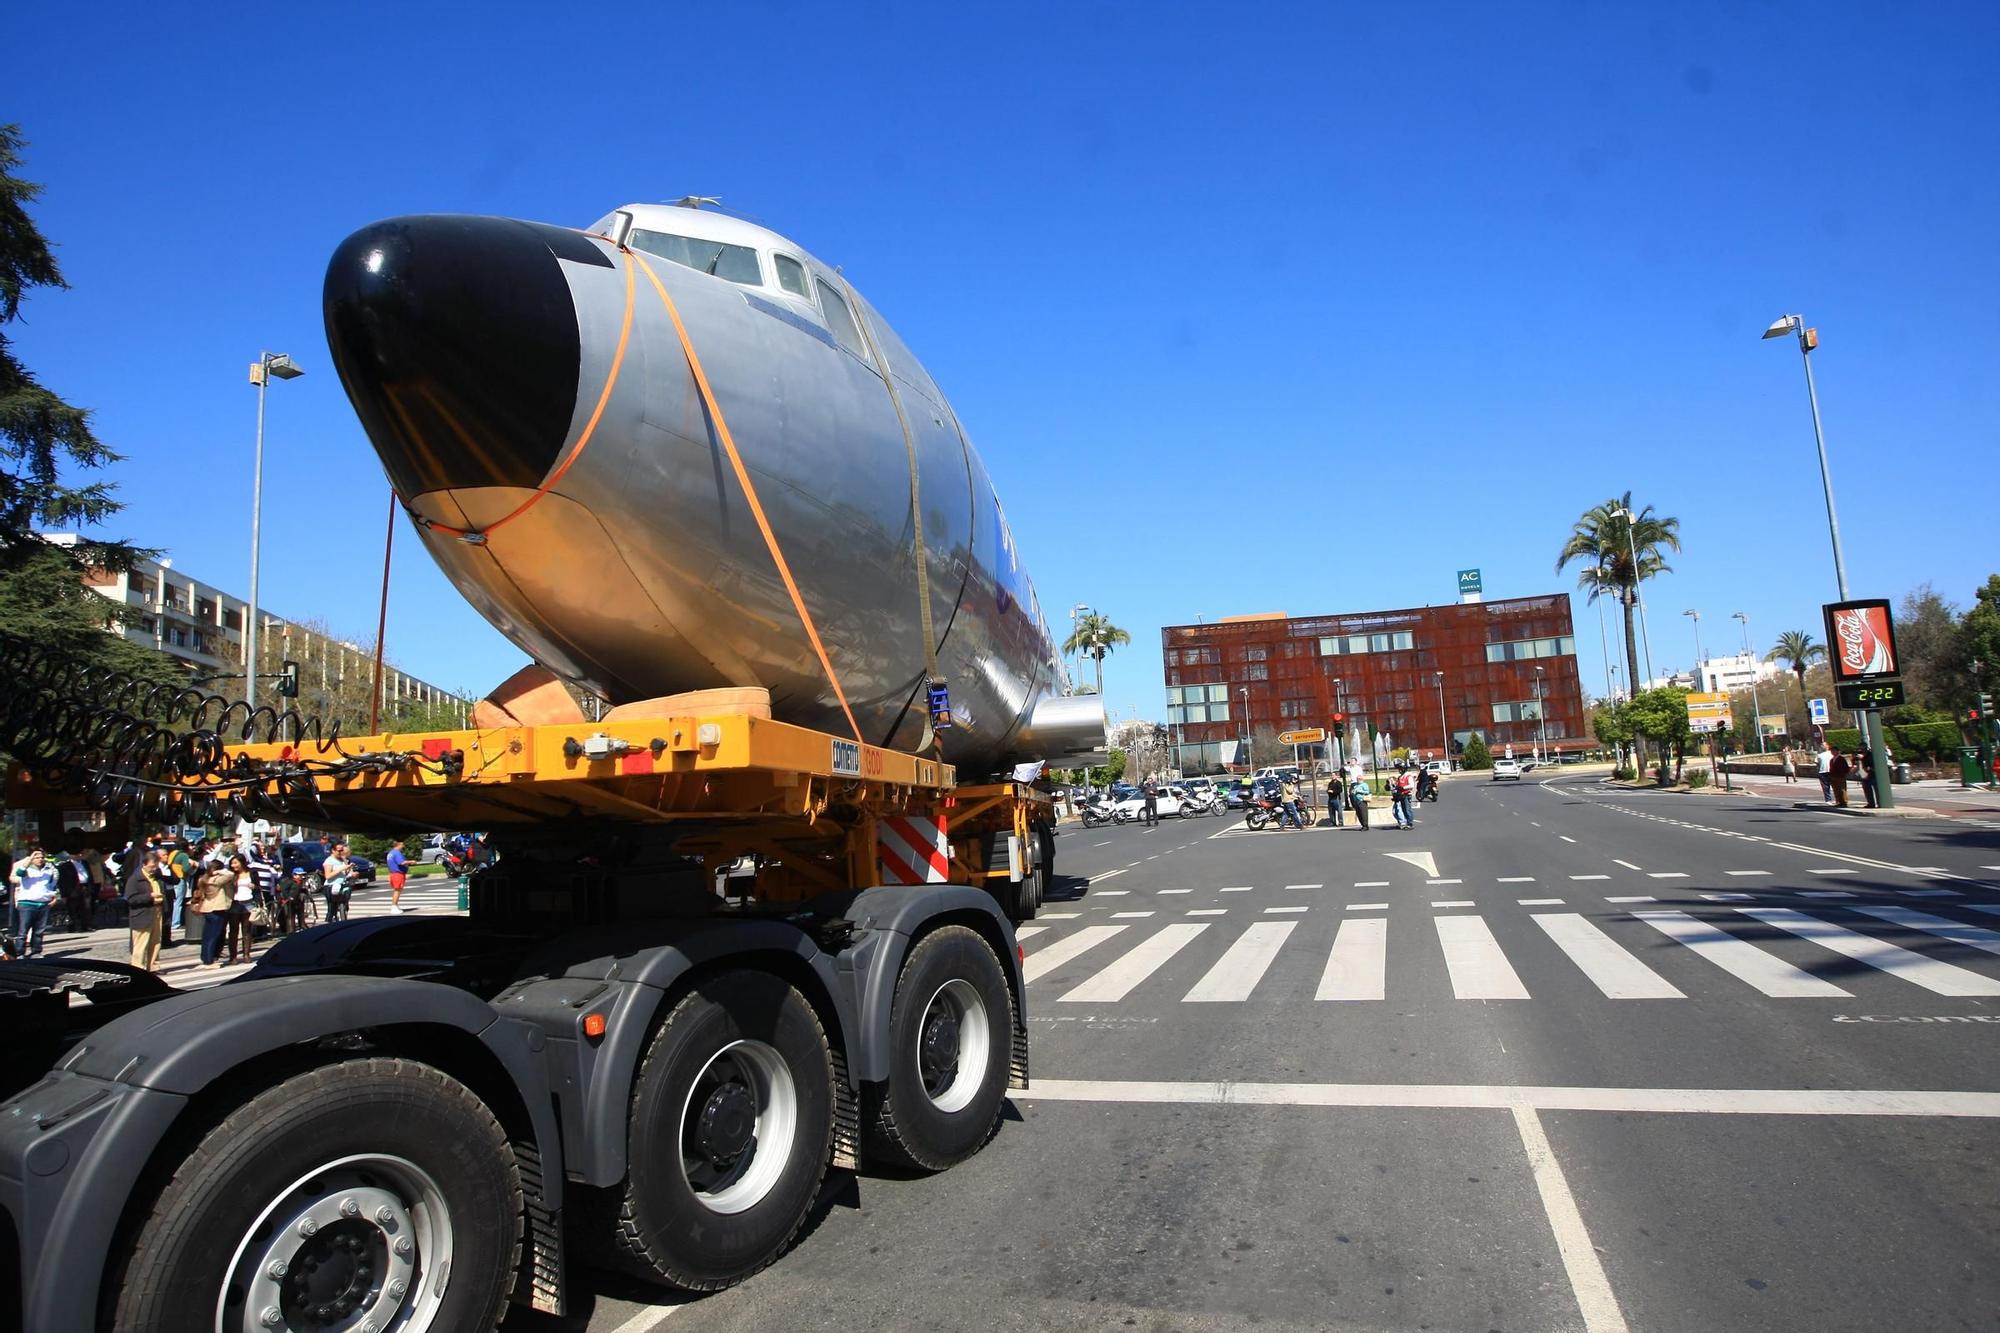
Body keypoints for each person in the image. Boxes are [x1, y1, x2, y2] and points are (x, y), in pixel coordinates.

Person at [8, 848, 59, 957]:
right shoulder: (27, 870)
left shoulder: (49, 870)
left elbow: (52, 885)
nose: (40, 859)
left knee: (39, 931)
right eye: (36, 857)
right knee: (23, 931)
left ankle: (36, 951)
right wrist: (29, 860)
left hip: (43, 903)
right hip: (27, 903)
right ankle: (19, 953)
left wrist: (53, 897)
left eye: (41, 857)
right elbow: (19, 872)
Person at [125, 849, 167, 971]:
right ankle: (138, 968)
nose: (154, 868)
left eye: (156, 866)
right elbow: (131, 899)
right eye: (152, 866)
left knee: (156, 941)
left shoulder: (157, 876)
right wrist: (149, 896)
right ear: (144, 864)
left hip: (157, 911)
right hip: (142, 914)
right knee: (141, 944)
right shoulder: (135, 879)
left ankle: (153, 966)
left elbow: (174, 880)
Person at [191, 857, 234, 968]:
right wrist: (219, 871)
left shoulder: (203, 879)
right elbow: (230, 874)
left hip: (206, 908)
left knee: (206, 936)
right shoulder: (216, 880)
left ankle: (205, 958)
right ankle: (209, 961)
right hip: (217, 908)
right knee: (213, 936)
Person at [224, 853, 258, 964]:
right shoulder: (231, 875)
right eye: (232, 863)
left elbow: (258, 887)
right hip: (235, 903)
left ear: (242, 862)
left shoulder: (252, 873)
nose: (234, 866)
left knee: (247, 930)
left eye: (235, 863)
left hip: (248, 903)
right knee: (233, 931)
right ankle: (233, 956)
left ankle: (246, 954)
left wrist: (255, 887)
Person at [321, 841, 354, 922]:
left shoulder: (343, 860)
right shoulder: (329, 861)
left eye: (342, 850)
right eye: (339, 850)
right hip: (331, 886)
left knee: (345, 901)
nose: (341, 852)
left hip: (342, 884)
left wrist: (350, 870)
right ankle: (328, 923)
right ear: (333, 850)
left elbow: (344, 874)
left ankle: (343, 914)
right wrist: (341, 869)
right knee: (332, 909)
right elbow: (328, 876)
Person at [386, 837, 410, 912]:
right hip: (398, 874)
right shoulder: (397, 853)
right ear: (399, 844)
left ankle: (395, 906)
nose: (403, 845)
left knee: (397, 890)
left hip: (393, 873)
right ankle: (394, 906)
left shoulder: (391, 853)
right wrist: (411, 862)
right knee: (397, 890)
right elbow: (401, 862)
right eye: (402, 844)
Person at [1391, 765, 1417, 830]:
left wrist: (1403, 787)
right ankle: (1405, 823)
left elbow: (1411, 785)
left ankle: (1410, 824)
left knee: (1407, 809)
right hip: (1401, 795)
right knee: (1403, 810)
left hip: (1407, 794)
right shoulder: (1401, 777)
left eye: (1400, 769)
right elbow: (1398, 785)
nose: (1399, 770)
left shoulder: (1408, 776)